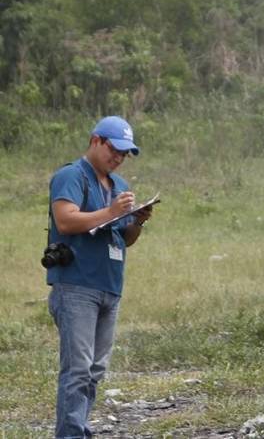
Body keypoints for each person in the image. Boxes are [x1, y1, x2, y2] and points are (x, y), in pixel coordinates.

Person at [47, 116, 153, 438]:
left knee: (95, 370)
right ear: (95, 141)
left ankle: (79, 428)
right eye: (114, 150)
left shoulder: (120, 187)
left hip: (109, 286)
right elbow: (65, 221)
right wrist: (113, 212)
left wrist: (136, 221)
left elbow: (125, 238)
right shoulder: (71, 175)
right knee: (77, 369)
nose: (118, 158)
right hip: (76, 284)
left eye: (125, 153)